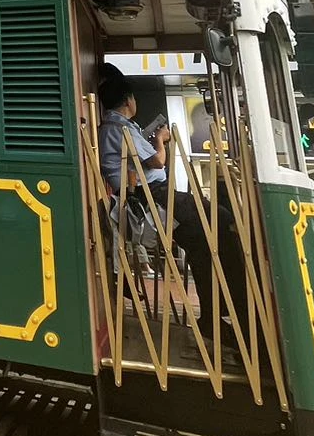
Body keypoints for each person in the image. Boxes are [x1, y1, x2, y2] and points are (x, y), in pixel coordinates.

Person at [98, 76, 245, 326]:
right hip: (153, 196)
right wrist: (159, 140)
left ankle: (214, 315)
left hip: (155, 192)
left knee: (202, 246)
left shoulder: (121, 127)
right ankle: (234, 308)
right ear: (127, 100)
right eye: (133, 98)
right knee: (221, 220)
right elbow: (157, 161)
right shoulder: (118, 128)